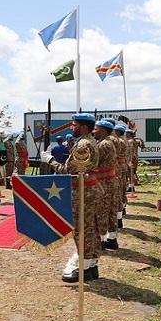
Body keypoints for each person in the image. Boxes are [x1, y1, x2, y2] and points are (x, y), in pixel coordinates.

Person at [42, 113, 104, 283]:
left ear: (83, 127)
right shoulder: (90, 141)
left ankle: (83, 269)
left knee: (81, 230)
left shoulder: (83, 145)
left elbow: (67, 170)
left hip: (83, 192)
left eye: (74, 125)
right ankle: (90, 266)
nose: (71, 127)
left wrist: (50, 160)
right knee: (90, 228)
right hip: (89, 189)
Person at [92, 119, 120, 250]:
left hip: (104, 181)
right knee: (110, 211)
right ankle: (112, 238)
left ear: (103, 131)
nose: (93, 131)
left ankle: (102, 241)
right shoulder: (109, 142)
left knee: (101, 211)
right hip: (110, 179)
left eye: (96, 129)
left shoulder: (103, 145)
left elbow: (93, 164)